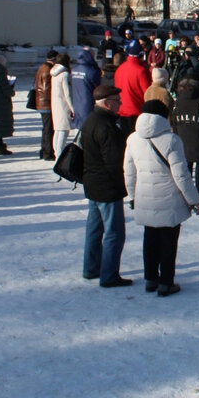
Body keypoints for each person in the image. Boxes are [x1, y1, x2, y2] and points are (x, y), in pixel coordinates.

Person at [127, 99, 199, 296]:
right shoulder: (171, 140)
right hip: (169, 198)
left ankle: (151, 278)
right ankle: (166, 282)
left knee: (149, 239)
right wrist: (193, 200)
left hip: (144, 196)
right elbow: (181, 175)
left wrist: (132, 195)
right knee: (168, 242)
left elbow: (129, 171)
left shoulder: (133, 138)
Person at [79, 84, 132, 288]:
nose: (120, 104)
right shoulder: (106, 127)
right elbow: (114, 160)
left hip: (92, 182)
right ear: (108, 104)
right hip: (106, 186)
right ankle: (109, 275)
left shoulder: (91, 121)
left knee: (94, 229)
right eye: (117, 101)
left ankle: (91, 267)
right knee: (114, 232)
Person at [114, 42, 151, 136]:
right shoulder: (141, 71)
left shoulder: (120, 69)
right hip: (136, 111)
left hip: (121, 110)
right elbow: (147, 93)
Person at [50, 53, 74, 158]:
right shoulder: (65, 75)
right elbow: (67, 94)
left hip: (55, 104)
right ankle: (59, 156)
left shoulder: (54, 73)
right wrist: (73, 108)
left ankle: (56, 153)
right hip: (63, 106)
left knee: (58, 131)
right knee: (63, 132)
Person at [34, 50, 56, 159]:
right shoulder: (47, 70)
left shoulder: (42, 67)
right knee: (48, 129)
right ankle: (47, 152)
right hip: (46, 104)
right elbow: (46, 89)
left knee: (46, 128)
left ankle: (44, 150)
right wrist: (53, 101)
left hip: (41, 102)